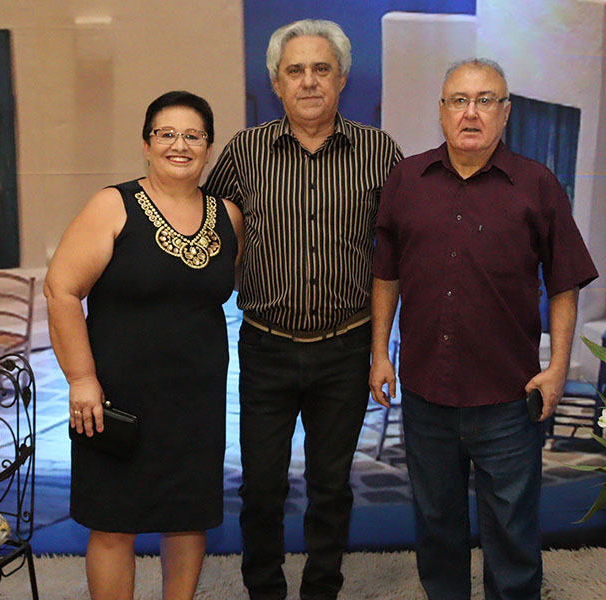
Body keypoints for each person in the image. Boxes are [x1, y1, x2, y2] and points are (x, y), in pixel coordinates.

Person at [369, 59, 598, 600]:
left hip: (508, 398)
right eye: (459, 100)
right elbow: (386, 272)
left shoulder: (538, 185)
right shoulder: (407, 179)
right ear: (442, 111)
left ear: (506, 112)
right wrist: (380, 353)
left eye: (485, 100)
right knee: (436, 525)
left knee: (512, 531)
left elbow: (564, 282)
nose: (470, 113)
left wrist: (557, 368)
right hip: (426, 394)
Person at [203, 18, 402, 600]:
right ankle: (264, 590)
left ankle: (321, 589)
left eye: (321, 69)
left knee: (331, 487)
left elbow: (393, 256)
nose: (309, 81)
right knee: (261, 488)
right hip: (265, 347)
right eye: (295, 70)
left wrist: (380, 351)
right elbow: (210, 234)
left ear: (341, 78)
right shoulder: (245, 152)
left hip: (346, 348)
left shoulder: (380, 153)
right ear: (275, 82)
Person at [44, 90, 243, 600]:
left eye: (193, 135)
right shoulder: (113, 205)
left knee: (188, 517)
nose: (180, 145)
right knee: (114, 523)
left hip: (196, 400)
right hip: (115, 400)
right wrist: (81, 380)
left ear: (209, 148)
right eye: (166, 134)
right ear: (147, 144)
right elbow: (61, 290)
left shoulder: (228, 216)